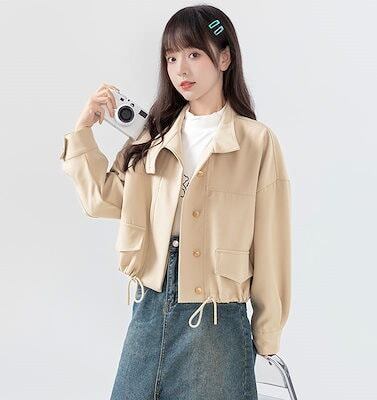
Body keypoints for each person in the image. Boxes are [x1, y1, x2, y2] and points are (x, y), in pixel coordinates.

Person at [59, 4, 292, 400]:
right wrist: (83, 131)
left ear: (224, 58)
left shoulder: (257, 142)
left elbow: (272, 244)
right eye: (171, 58)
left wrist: (267, 336)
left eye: (194, 54)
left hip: (216, 320)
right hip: (149, 310)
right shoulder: (153, 136)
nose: (180, 69)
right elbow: (102, 199)